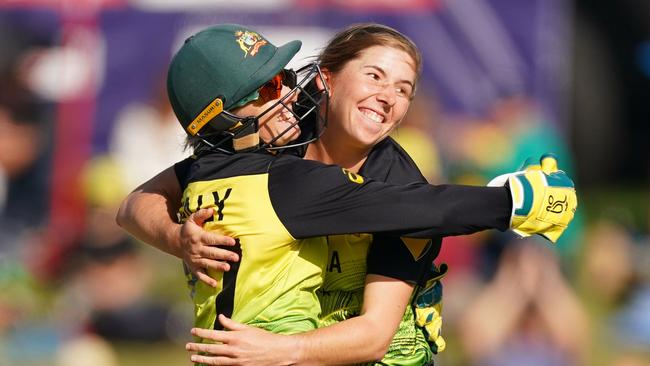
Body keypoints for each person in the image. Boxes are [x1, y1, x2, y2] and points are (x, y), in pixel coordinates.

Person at [116, 23, 577, 365]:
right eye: (374, 76)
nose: (389, 97)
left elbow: (375, 335)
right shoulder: (277, 133)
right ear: (326, 79)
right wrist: (177, 237)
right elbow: (134, 204)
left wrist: (282, 349)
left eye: (404, 89)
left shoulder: (400, 186)